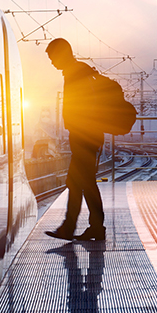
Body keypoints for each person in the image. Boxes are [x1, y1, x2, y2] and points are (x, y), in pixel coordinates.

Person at [45, 38, 107, 241]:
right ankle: (92, 227)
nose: (52, 63)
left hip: (84, 137)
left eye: (53, 57)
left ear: (62, 54)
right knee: (83, 182)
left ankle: (74, 227)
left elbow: (83, 107)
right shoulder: (80, 71)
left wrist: (79, 130)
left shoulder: (76, 73)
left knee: (78, 181)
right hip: (87, 135)